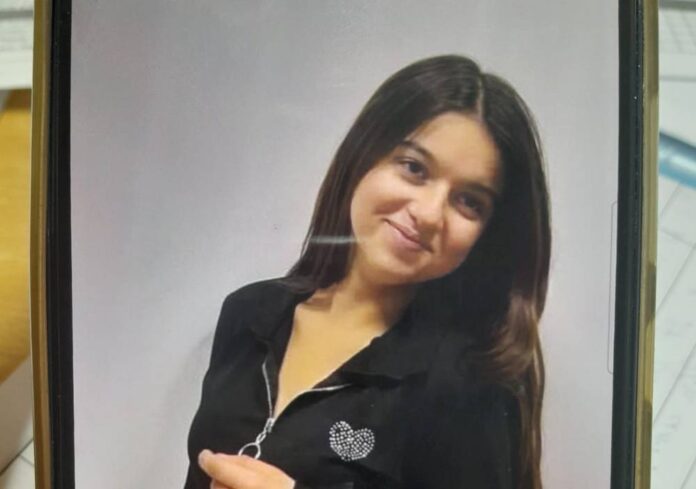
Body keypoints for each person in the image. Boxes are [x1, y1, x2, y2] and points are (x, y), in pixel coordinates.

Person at [184, 54, 550, 489]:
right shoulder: (250, 313)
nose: (429, 213)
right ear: (364, 154)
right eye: (414, 168)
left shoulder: (469, 384)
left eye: (469, 201)